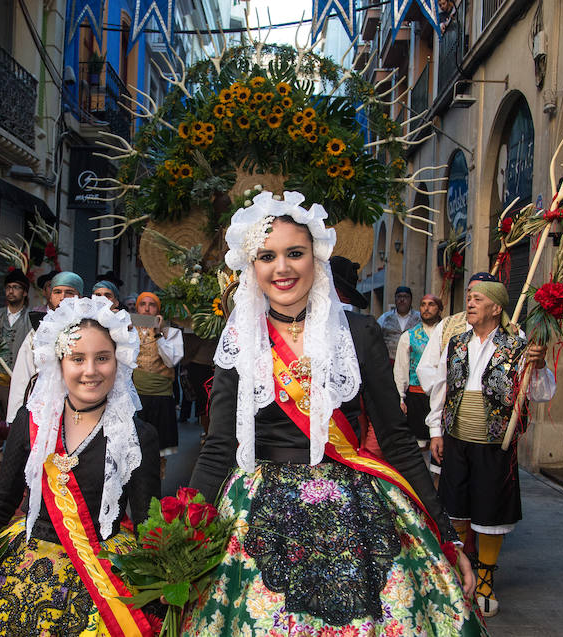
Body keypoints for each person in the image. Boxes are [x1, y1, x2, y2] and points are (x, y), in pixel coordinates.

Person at [184, 192, 486, 635]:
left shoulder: (360, 334)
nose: (282, 268)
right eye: (267, 256)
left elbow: (399, 442)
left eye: (294, 253)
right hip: (256, 515)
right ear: (252, 267)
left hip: (355, 513)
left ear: (316, 257)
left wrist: (446, 533)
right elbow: (218, 450)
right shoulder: (239, 340)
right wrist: (181, 533)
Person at [0, 296, 161, 636]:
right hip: (25, 562)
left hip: (102, 566)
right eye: (77, 358)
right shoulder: (31, 422)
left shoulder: (136, 434)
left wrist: (160, 589)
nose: (90, 370)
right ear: (59, 362)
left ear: (118, 362)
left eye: (103, 358)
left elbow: (148, 522)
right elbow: (2, 500)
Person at [426, 281, 555, 618]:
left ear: (496, 308)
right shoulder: (456, 342)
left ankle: (484, 579)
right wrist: (436, 431)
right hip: (456, 438)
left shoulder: (517, 345)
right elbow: (441, 388)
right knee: (455, 506)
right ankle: (459, 572)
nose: (469, 303)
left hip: (495, 440)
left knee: (490, 510)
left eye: (477, 299)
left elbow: (540, 393)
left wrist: (538, 366)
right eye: (468, 298)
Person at [7, 271, 84, 422]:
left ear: (79, 297)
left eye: (69, 292)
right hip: (43, 411)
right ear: (50, 296)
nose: (62, 297)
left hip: (80, 409)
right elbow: (23, 376)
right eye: (57, 292)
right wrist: (15, 418)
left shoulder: (89, 329)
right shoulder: (37, 332)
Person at [0, 268, 31, 486]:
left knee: (17, 435)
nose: (11, 292)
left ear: (25, 293)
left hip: (19, 386)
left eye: (16, 288)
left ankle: (13, 485)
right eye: (9, 288)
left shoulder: (31, 319)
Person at [416, 272, 499, 394]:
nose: (471, 301)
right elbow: (426, 367)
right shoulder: (448, 325)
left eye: (478, 295)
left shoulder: (511, 334)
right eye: (469, 292)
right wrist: (444, 391)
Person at [132, 292, 184, 475]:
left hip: (160, 397)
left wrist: (159, 334)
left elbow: (171, 362)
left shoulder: (172, 331)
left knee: (158, 448)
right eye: (142, 304)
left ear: (158, 309)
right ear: (137, 308)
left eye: (151, 304)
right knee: (134, 445)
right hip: (136, 396)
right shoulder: (130, 329)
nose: (146, 309)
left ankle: (155, 483)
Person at [394, 294, 443, 472]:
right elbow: (400, 370)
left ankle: (438, 489)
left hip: (443, 396)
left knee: (440, 447)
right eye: (423, 305)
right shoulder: (408, 336)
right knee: (419, 444)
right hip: (417, 397)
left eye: (431, 304)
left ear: (439, 308)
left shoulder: (448, 335)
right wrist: (400, 397)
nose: (426, 308)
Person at [377, 285, 420, 363]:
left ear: (411, 299)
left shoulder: (419, 318)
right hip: (389, 362)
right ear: (395, 299)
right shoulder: (384, 318)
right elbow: (376, 339)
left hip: (413, 363)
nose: (402, 300)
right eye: (399, 296)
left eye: (406, 297)